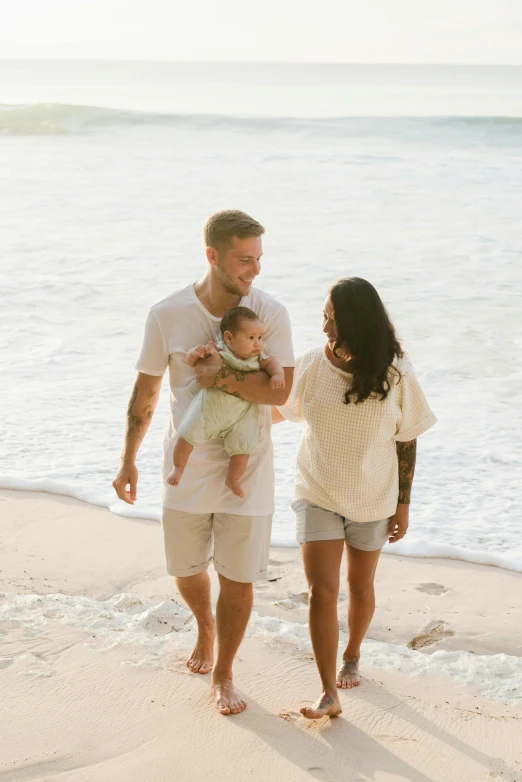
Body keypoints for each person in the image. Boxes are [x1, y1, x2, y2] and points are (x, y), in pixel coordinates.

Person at [112, 210, 294, 715]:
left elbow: (282, 387)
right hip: (185, 465)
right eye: (244, 260)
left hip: (247, 469)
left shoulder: (270, 314)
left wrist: (219, 381)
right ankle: (205, 625)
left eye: (258, 260)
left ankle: (224, 673)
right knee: (187, 569)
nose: (254, 271)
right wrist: (127, 459)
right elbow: (146, 389)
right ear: (212, 256)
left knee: (238, 577)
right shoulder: (167, 314)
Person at [273, 277, 436, 720]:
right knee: (320, 593)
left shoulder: (396, 372)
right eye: (324, 316)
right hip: (317, 490)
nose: (324, 326)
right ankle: (328, 691)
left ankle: (353, 654)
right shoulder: (311, 364)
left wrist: (403, 503)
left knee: (359, 587)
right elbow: (277, 410)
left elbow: (407, 440)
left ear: (355, 322)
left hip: (373, 497)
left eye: (332, 318)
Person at [167, 306, 285, 499]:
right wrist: (194, 354)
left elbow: (272, 364)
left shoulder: (258, 357)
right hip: (210, 409)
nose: (258, 344)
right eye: (251, 338)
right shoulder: (218, 350)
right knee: (186, 434)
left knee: (242, 447)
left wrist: (277, 375)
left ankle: (233, 479)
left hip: (242, 415)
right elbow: (192, 362)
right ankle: (178, 468)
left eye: (260, 338)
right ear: (229, 338)